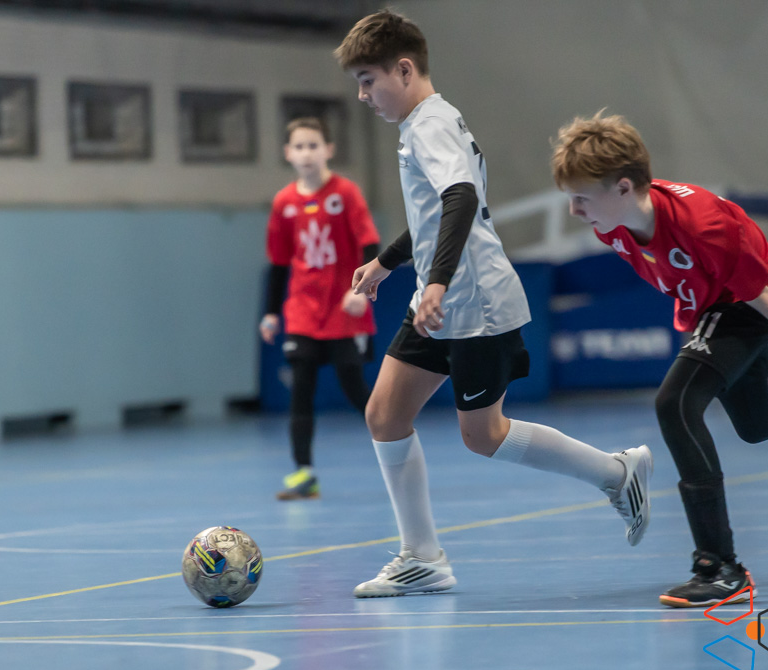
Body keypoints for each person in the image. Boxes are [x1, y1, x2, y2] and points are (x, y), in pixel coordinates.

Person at [335, 10, 653, 599]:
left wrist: (436, 282)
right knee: (385, 415)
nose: (363, 95)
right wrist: (387, 262)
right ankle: (422, 558)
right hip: (441, 299)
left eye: (368, 80)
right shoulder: (432, 120)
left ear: (403, 70)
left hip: (472, 302)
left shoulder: (430, 125)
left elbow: (459, 197)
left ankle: (616, 473)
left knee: (484, 435)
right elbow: (435, 213)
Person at [550, 110, 768, 607]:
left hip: (749, 302)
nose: (573, 211)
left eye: (582, 198)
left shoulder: (702, 224)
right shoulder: (611, 226)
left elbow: (759, 296)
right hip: (714, 307)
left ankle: (720, 567)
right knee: (759, 423)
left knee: (675, 404)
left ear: (623, 187)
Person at [261, 117, 380, 501]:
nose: (306, 153)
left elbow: (370, 245)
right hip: (302, 311)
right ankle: (304, 474)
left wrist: (361, 289)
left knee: (354, 388)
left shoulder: (345, 193)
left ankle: (399, 448)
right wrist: (271, 313)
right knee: (301, 391)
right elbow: (278, 263)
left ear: (328, 149)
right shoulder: (284, 202)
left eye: (313, 145)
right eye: (299, 146)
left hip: (344, 309)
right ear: (287, 153)